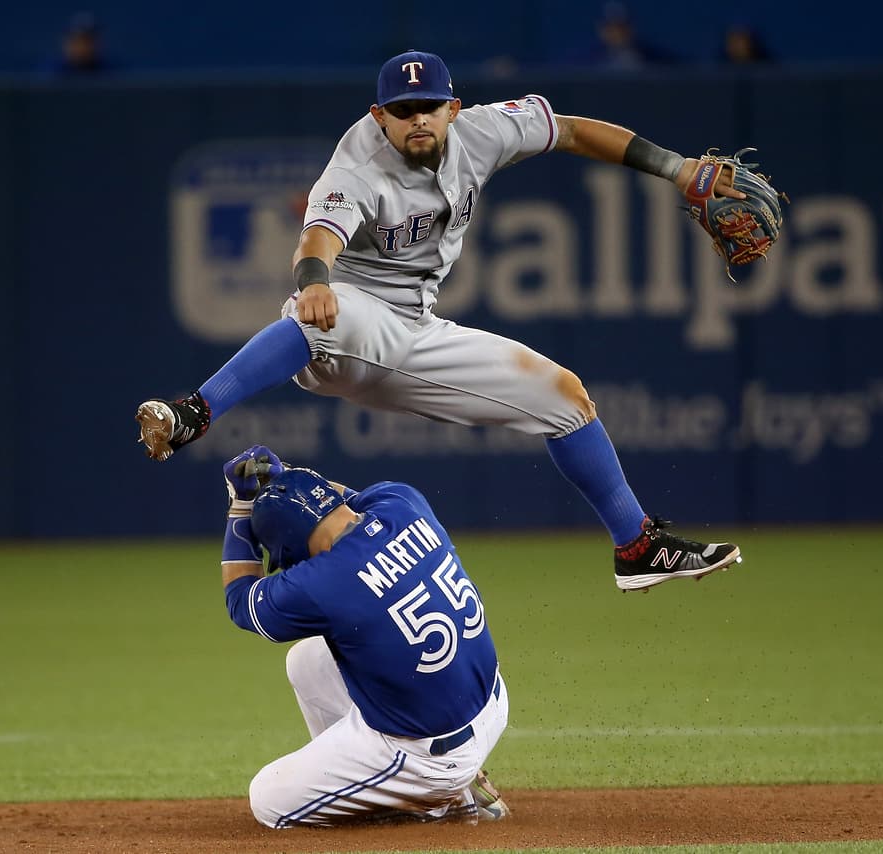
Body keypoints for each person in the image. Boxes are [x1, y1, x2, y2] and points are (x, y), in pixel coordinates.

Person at [137, 49, 744, 592]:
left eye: (429, 106)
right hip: (353, 323)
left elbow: (575, 132)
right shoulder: (357, 165)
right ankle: (193, 413)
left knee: (565, 397)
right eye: (403, 110)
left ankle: (637, 547)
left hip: (418, 333)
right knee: (324, 313)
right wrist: (314, 281)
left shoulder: (486, 131)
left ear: (453, 108)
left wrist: (678, 169)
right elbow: (317, 239)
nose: (418, 119)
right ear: (381, 117)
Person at [218, 444, 510, 826]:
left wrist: (241, 508)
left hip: (429, 758)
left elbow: (242, 602)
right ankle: (445, 785)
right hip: (492, 702)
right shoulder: (402, 502)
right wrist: (292, 477)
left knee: (268, 801)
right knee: (308, 661)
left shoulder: (323, 582)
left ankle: (430, 801)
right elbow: (344, 503)